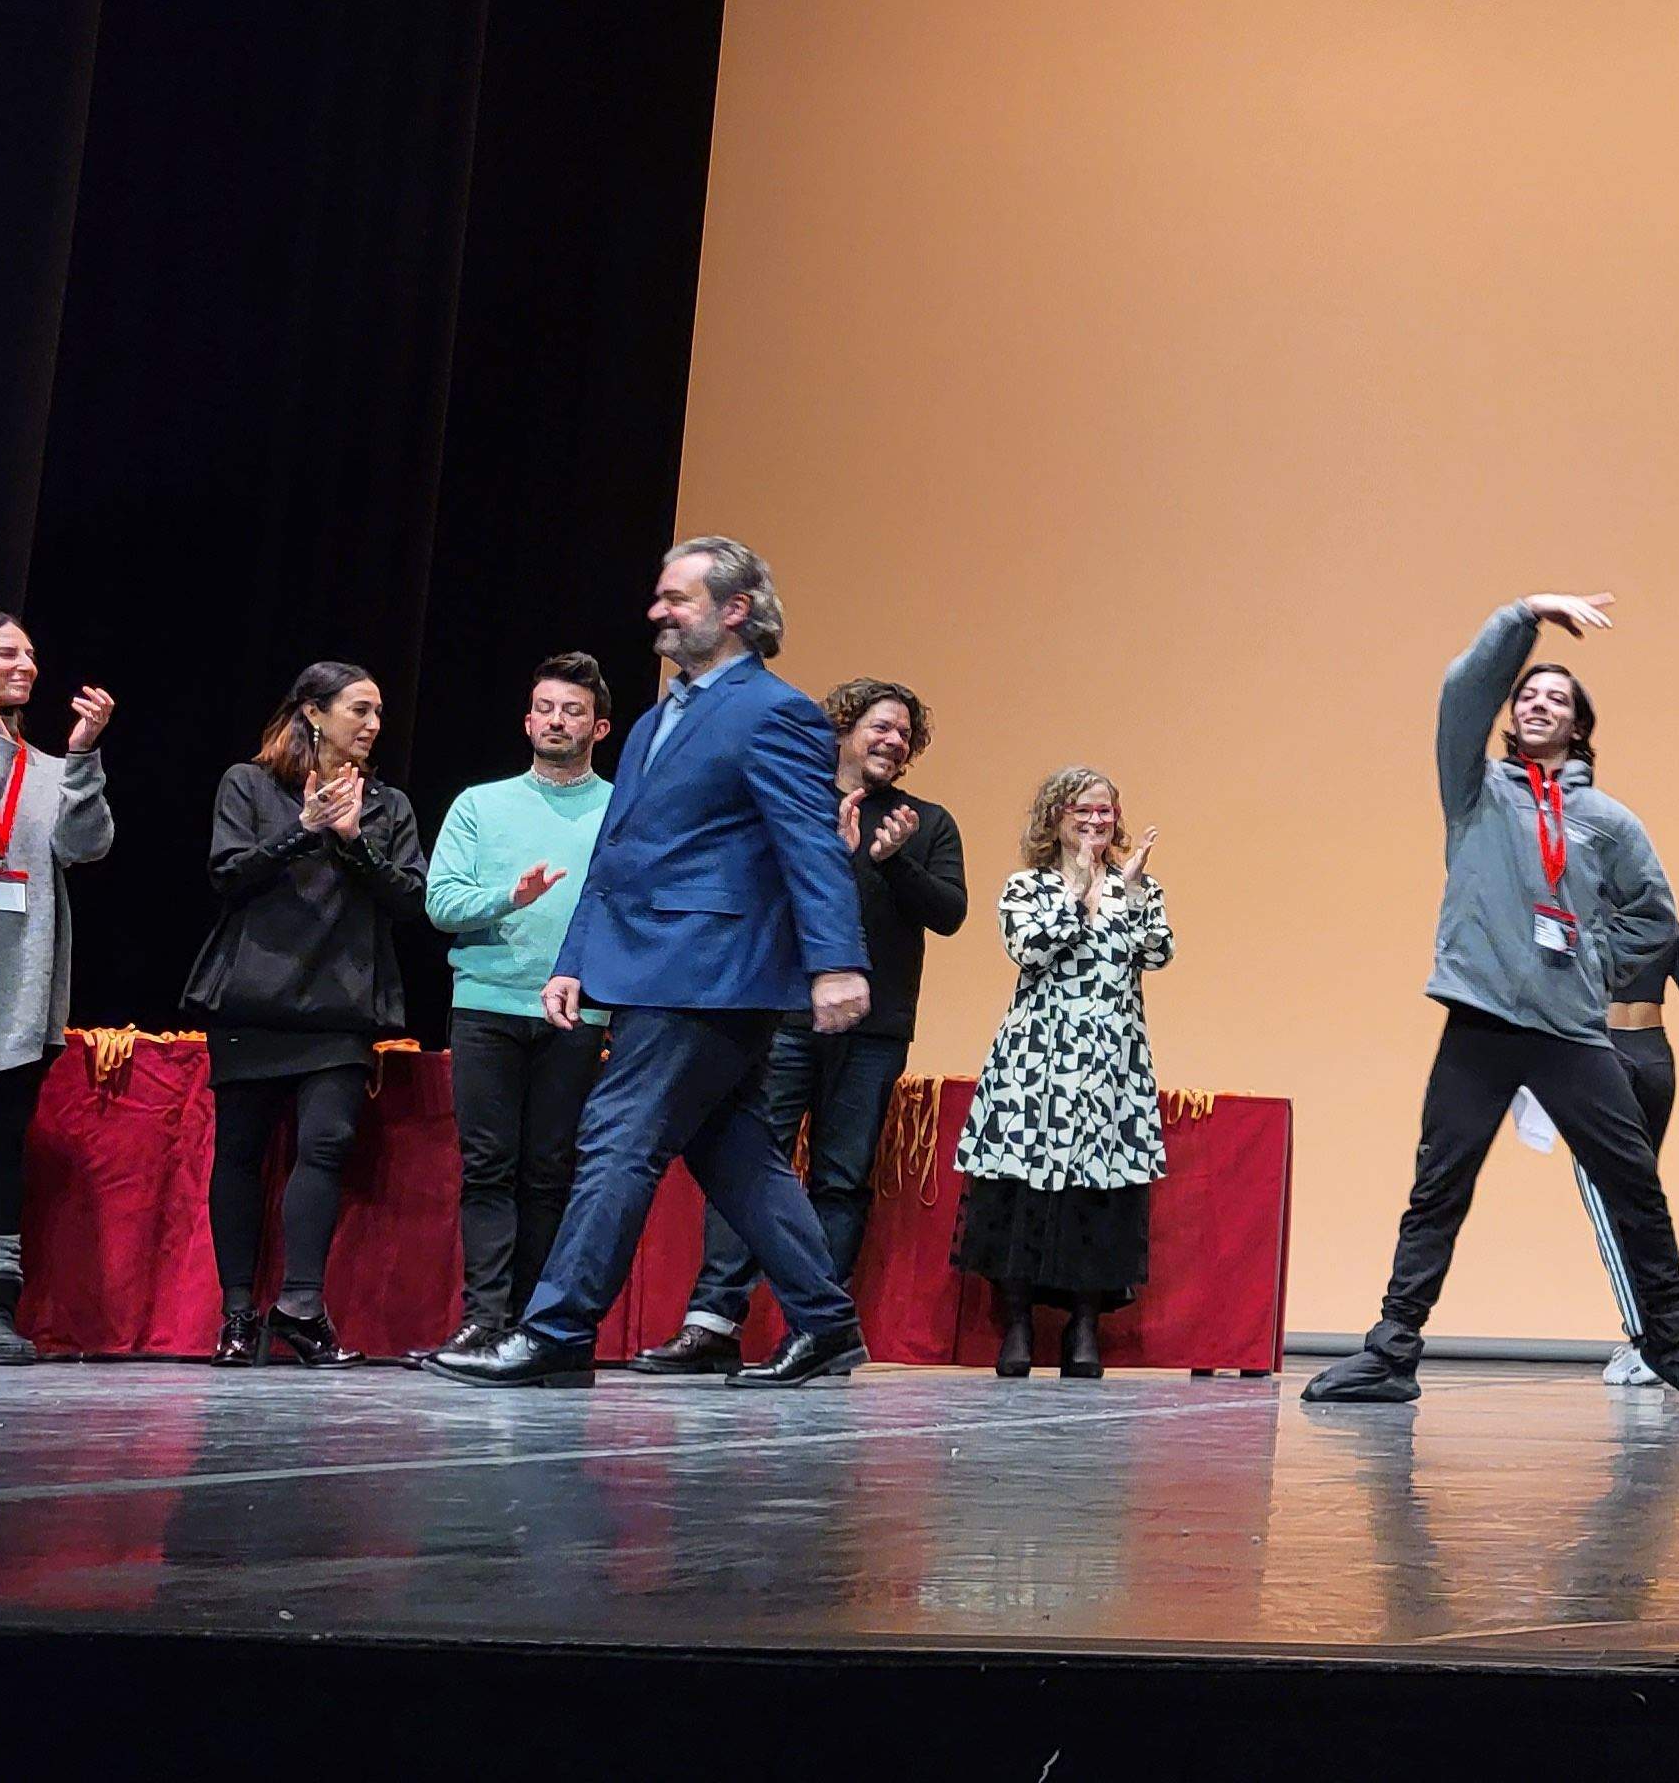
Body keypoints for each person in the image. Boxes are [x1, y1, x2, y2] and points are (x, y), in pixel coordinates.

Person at [424, 536, 877, 1391]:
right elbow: (619, 854)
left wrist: (837, 960)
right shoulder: (653, 719)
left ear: (734, 610)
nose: (657, 611)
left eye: (677, 597)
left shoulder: (774, 713)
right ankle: (825, 1323)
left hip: (709, 967)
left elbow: (810, 846)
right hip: (650, 965)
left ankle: (558, 1330)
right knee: (734, 1150)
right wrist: (574, 960)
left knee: (617, 1140)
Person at [1306, 591, 1679, 1410]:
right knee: (1439, 1188)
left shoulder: (1608, 822)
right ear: (1509, 717)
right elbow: (1461, 690)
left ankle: (1673, 1340)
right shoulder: (1475, 791)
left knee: (1634, 1184)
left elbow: (1657, 917)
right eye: (1528, 696)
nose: (1540, 705)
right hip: (1482, 1021)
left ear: (1579, 729)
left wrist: (1593, 962)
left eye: (1559, 701)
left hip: (1571, 1032)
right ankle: (1392, 1353)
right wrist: (1523, 615)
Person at [635, 677, 967, 1376]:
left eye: (905, 733)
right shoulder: (794, 803)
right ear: (844, 728)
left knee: (841, 1182)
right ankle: (713, 1321)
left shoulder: (925, 822)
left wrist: (892, 860)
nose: (893, 740)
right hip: (782, 1015)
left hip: (874, 1029)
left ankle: (817, 1332)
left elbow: (948, 913)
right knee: (751, 1165)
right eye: (881, 726)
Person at [185, 662, 424, 1368]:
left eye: (379, 711)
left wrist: (353, 840)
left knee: (327, 1143)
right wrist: (302, 829)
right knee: (241, 1153)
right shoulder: (249, 785)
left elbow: (409, 898)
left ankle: (299, 1306)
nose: (374, 724)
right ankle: (235, 1315)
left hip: (340, 1003)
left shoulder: (389, 805)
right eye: (360, 709)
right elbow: (227, 874)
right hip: (254, 997)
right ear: (314, 714)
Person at [419, 653, 616, 1359]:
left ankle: (540, 1325)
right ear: (527, 719)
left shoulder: (620, 811)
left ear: (599, 726)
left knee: (551, 1170)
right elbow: (440, 903)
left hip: (578, 1015)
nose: (557, 720)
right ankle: (485, 1317)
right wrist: (511, 897)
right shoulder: (479, 804)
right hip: (486, 1005)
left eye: (572, 710)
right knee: (488, 1166)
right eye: (545, 707)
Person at [952, 766, 1170, 1380]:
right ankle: (1018, 1324)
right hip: (1037, 1059)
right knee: (1025, 1191)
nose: (1096, 821)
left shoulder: (1139, 887)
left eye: (1105, 811)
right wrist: (1077, 894)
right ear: (1056, 818)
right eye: (1082, 811)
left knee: (1098, 1198)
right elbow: (1030, 949)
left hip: (1112, 1063)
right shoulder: (1028, 887)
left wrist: (1126, 892)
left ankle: (1084, 1326)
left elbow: (1158, 952)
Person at [0, 613, 112, 1366]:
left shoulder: (46, 766)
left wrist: (82, 758)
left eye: (31, 652)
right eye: (6, 652)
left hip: (17, 996)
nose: (26, 664)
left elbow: (86, 845)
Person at [1585, 923, 1679, 1386]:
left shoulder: (1594, 921)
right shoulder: (1669, 930)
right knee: (1638, 1200)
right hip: (1656, 1061)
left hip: (1606, 1057)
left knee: (1598, 1191)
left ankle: (1645, 1339)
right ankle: (1655, 1331)